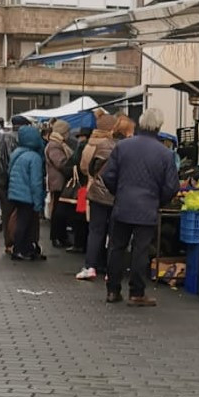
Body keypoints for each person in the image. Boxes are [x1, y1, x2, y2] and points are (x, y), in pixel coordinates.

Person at [102, 109, 179, 307]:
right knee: (140, 251)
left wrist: (119, 193)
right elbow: (171, 186)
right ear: (159, 126)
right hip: (147, 208)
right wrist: (158, 201)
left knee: (116, 248)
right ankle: (136, 293)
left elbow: (108, 175)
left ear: (140, 124)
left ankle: (112, 290)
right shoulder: (166, 154)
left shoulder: (122, 147)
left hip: (122, 205)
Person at [76, 114, 117, 281]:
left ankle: (90, 265)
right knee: (114, 233)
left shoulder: (89, 144)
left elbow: (86, 168)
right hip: (114, 193)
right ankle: (109, 269)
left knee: (95, 231)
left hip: (95, 190)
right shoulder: (114, 145)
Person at [7, 124, 46, 261]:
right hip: (27, 195)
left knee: (21, 222)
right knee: (25, 223)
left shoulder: (16, 153)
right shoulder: (34, 157)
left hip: (15, 193)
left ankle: (24, 248)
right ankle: (19, 250)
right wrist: (38, 201)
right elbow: (36, 182)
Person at [0, 115, 30, 252]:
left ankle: (8, 243)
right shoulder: (23, 138)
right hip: (19, 179)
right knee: (20, 213)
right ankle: (18, 241)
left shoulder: (1, 137)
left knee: (6, 212)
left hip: (3, 179)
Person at [44, 119, 74, 248]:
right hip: (58, 182)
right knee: (58, 212)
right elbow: (61, 163)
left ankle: (60, 236)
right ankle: (57, 237)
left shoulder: (58, 144)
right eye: (67, 131)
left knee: (59, 211)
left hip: (58, 181)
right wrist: (72, 165)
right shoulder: (54, 145)